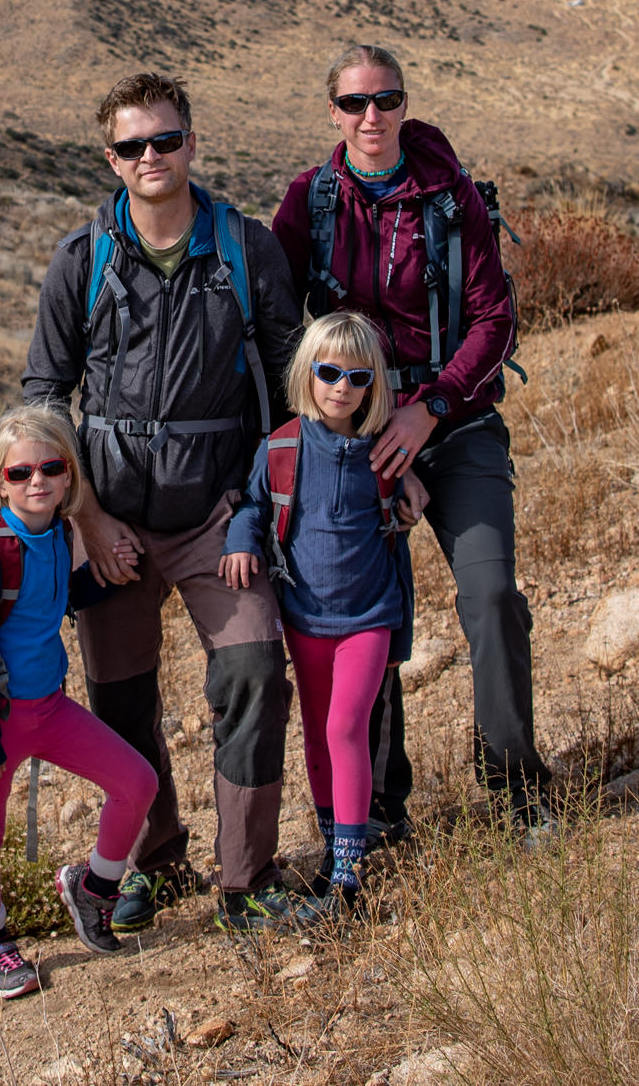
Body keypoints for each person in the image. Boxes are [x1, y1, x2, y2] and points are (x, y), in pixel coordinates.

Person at [23, 72, 315, 933]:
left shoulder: (245, 250)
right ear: (110, 159)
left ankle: (246, 879)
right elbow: (45, 398)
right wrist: (86, 516)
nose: (152, 157)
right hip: (111, 519)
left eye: (166, 139)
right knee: (122, 704)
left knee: (255, 671)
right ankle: (154, 862)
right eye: (132, 146)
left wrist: (256, 508)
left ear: (192, 142)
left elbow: (291, 380)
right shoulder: (82, 261)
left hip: (220, 511)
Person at [269, 43, 552, 844]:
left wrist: (428, 407)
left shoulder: (449, 196)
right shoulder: (312, 202)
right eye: (355, 103)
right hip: (354, 438)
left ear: (404, 104)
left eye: (385, 100)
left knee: (491, 595)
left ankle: (514, 785)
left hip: (454, 425)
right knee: (367, 613)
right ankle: (381, 807)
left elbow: (495, 320)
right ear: (333, 111)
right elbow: (280, 320)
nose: (371, 117)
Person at [0, 404, 158, 999]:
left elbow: (53, 598)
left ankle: (92, 889)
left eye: (50, 467)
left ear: (69, 478)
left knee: (137, 783)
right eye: (19, 473)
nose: (35, 481)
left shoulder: (60, 535)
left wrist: (106, 574)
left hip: (52, 711)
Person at [223, 312, 415, 921]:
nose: (341, 387)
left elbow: (408, 496)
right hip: (304, 617)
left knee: (345, 730)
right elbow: (253, 505)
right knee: (316, 737)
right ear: (307, 373)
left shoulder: (384, 448)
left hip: (369, 616)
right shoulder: (281, 445)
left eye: (357, 377)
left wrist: (410, 484)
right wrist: (239, 540)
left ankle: (350, 877)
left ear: (372, 384)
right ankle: (337, 848)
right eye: (329, 372)